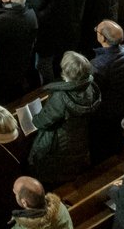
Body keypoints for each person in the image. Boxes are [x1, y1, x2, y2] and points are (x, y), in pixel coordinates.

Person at [30, 52, 102, 187]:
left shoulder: (61, 97)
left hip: (59, 142)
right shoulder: (90, 87)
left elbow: (42, 121)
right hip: (78, 138)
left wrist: (35, 119)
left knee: (53, 170)